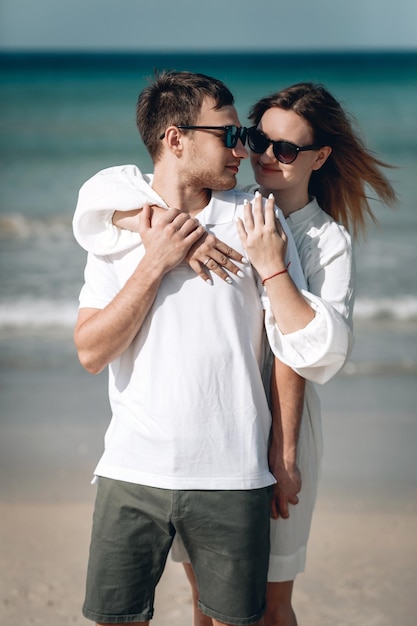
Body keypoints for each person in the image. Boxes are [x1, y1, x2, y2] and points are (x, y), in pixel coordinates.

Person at [74, 81, 396, 626]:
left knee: (262, 610)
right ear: (177, 139)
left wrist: (284, 451)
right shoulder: (131, 221)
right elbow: (98, 200)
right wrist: (165, 239)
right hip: (147, 462)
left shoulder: (279, 227)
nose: (253, 154)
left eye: (283, 149)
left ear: (318, 158)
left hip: (251, 453)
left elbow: (297, 348)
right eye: (240, 137)